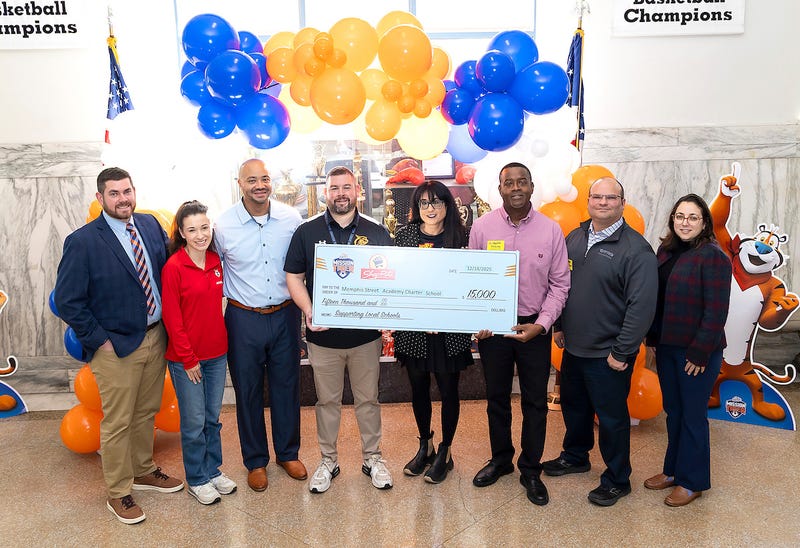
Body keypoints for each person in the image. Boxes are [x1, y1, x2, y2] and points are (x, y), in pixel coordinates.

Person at [54, 167, 183, 524]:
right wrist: (101, 341)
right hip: (115, 347)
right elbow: (68, 301)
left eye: (127, 191)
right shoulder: (82, 242)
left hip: (156, 335)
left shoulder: (149, 225)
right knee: (118, 421)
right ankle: (118, 493)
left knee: (146, 411)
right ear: (100, 199)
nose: (122, 198)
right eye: (114, 193)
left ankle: (143, 469)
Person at [543, 176, 658, 507]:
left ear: (623, 202)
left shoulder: (636, 249)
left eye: (611, 197)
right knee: (575, 410)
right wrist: (560, 325)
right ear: (589, 201)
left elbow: (642, 307)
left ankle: (618, 478)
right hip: (574, 349)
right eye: (597, 197)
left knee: (611, 420)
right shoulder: (575, 238)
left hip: (609, 355)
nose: (603, 202)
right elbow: (560, 285)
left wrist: (622, 352)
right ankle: (576, 456)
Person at [285, 166, 394, 494]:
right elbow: (293, 276)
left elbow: (392, 277)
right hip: (323, 337)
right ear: (325, 193)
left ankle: (372, 457)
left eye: (347, 187)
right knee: (327, 402)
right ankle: (328, 460)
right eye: (335, 188)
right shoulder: (307, 231)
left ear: (358, 190)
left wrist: (388, 311)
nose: (341, 193)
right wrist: (308, 309)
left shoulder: (377, 231)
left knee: (368, 401)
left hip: (365, 338)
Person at [468, 162, 571, 506]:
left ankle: (530, 468)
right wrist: (478, 320)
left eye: (521, 182)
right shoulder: (482, 228)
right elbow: (473, 279)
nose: (515, 187)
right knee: (496, 398)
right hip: (494, 330)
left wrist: (541, 325)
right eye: (508, 182)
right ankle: (501, 460)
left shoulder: (551, 230)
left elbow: (560, 285)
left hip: (534, 327)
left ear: (531, 187)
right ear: (499, 189)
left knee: (535, 402)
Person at [214, 159, 306, 492]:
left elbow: (303, 265)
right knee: (248, 392)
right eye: (251, 180)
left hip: (285, 315)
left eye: (265, 178)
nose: (260, 185)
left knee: (287, 387)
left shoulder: (291, 219)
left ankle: (287, 453)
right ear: (239, 183)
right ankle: (255, 461)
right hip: (242, 319)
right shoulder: (222, 226)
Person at [644, 194, 731, 506]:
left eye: (693, 217)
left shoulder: (713, 256)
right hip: (667, 346)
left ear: (704, 222)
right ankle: (673, 470)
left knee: (693, 416)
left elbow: (717, 311)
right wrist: (652, 338)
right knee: (675, 413)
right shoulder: (665, 251)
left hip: (697, 352)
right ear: (672, 219)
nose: (685, 222)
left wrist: (699, 352)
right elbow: (659, 299)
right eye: (680, 216)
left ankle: (693, 481)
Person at [393, 181, 474, 484]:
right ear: (416, 208)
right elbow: (397, 279)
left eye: (436, 203)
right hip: (414, 329)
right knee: (418, 388)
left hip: (450, 331)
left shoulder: (461, 236)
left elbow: (469, 283)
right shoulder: (404, 236)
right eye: (424, 203)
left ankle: (446, 451)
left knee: (448, 390)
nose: (430, 209)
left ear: (447, 206)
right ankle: (424, 444)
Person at [161, 200, 237, 505]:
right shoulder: (174, 267)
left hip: (217, 354)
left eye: (204, 228)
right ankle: (196, 478)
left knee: (211, 418)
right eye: (192, 230)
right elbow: (172, 317)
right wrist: (188, 358)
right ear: (181, 232)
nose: (200, 234)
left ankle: (212, 470)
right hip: (185, 359)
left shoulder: (217, 262)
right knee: (193, 422)